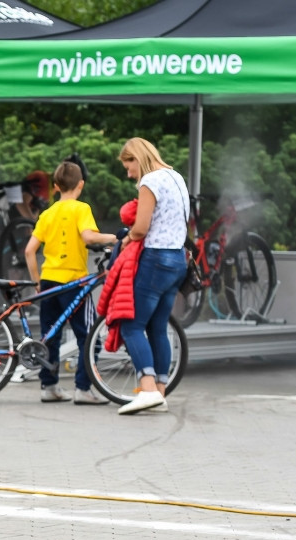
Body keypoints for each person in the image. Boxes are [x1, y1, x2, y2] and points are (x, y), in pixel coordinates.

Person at [24, 160, 116, 405]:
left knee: (49, 335)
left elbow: (29, 250)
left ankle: (49, 386)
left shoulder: (47, 213)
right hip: (74, 281)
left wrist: (36, 282)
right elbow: (88, 236)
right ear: (81, 185)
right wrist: (116, 236)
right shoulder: (81, 208)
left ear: (55, 186)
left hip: (48, 282)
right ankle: (83, 388)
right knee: (89, 335)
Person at [115, 137, 189, 415]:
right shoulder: (176, 177)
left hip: (156, 258)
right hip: (178, 260)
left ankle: (146, 389)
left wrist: (126, 240)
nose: (129, 173)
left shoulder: (151, 181)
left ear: (137, 157)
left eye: (128, 165)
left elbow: (142, 226)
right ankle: (160, 392)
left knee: (131, 325)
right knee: (158, 327)